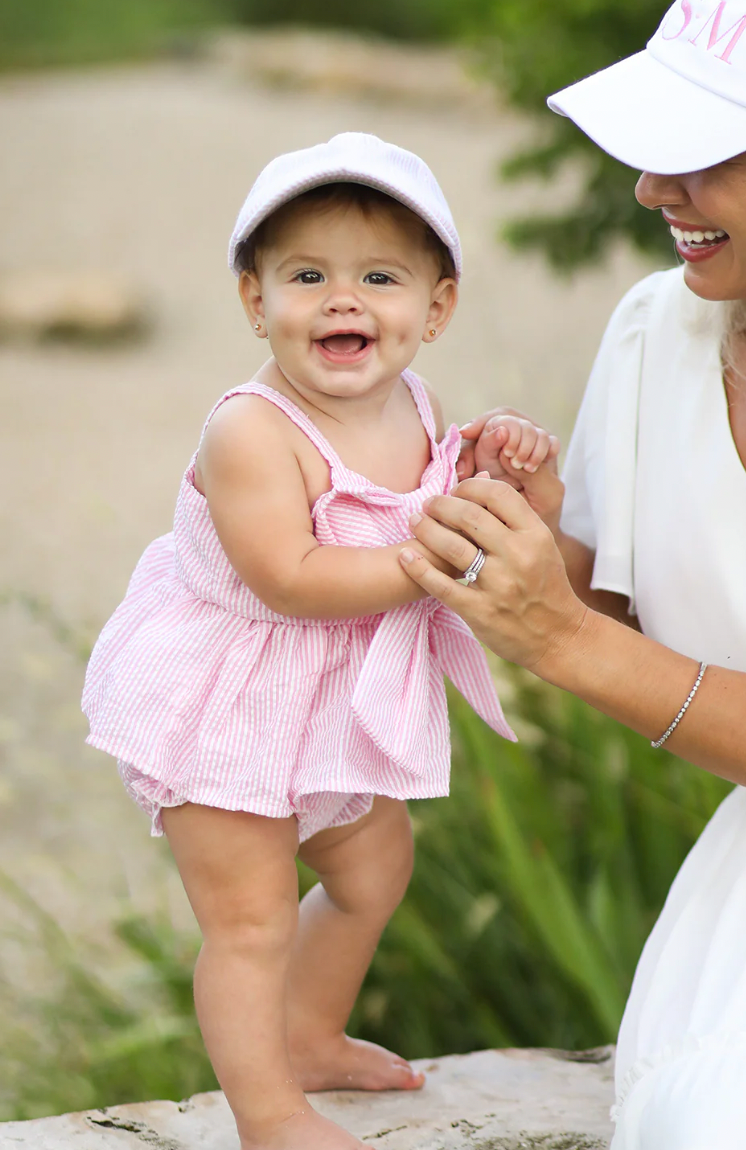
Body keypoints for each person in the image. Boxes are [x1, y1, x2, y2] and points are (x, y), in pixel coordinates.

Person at [400, 1, 746, 1146]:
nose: (651, 187)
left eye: (704, 151)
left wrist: (560, 635)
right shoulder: (659, 329)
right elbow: (606, 614)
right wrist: (536, 550)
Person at [81, 132, 556, 1150]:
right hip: (228, 699)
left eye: (378, 277)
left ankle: (306, 1033)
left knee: (374, 865)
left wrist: (495, 452)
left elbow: (450, 486)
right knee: (248, 920)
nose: (342, 300)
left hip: (329, 696)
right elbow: (290, 577)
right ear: (256, 301)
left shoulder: (417, 406)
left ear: (435, 309)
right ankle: (269, 1116)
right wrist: (434, 563)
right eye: (307, 276)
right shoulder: (250, 431)